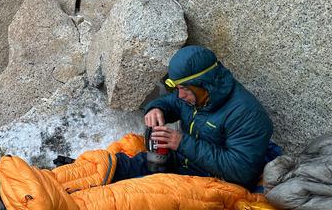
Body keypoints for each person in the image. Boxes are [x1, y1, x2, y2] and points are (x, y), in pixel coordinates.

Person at [112, 45, 274, 188]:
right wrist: (156, 109)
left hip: (212, 183)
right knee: (111, 166)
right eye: (177, 88)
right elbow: (171, 102)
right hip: (179, 162)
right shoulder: (196, 95)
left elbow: (241, 171)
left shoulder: (247, 114)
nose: (180, 95)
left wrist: (182, 143)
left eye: (184, 89)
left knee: (135, 198)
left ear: (206, 85)